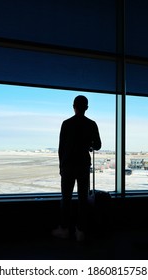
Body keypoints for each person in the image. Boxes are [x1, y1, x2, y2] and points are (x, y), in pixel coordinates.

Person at [52, 95, 102, 241]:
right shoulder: (91, 124)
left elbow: (61, 148)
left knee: (66, 198)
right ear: (86, 107)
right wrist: (89, 145)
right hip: (83, 165)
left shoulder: (66, 124)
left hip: (68, 165)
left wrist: (61, 166)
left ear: (73, 106)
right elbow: (98, 145)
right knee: (83, 199)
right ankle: (81, 231)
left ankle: (64, 229)